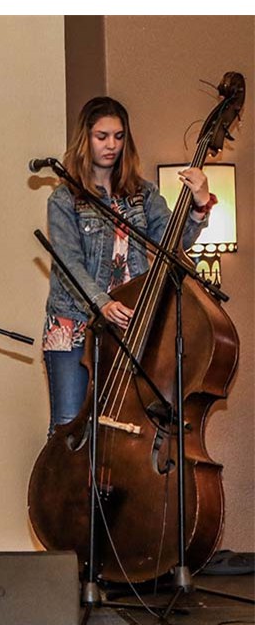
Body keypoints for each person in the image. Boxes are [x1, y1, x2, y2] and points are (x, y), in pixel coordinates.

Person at [42, 96, 213, 432]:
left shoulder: (143, 194)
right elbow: (68, 263)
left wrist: (199, 204)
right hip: (74, 326)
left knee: (124, 425)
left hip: (129, 327)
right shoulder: (64, 198)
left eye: (118, 137)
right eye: (102, 136)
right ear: (86, 139)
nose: (111, 145)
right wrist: (102, 303)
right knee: (68, 424)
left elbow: (172, 245)